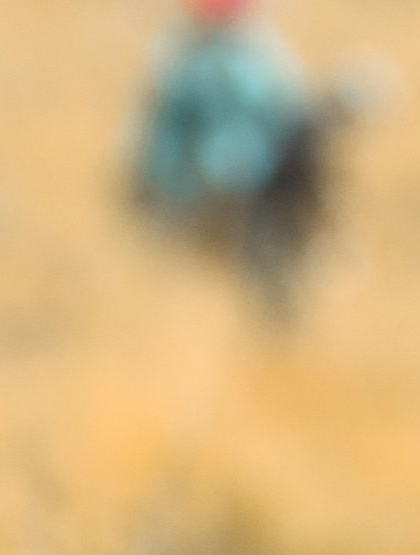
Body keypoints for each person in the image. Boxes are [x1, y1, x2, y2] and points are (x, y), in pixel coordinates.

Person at [128, 0, 344, 319]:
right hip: (207, 194)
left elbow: (286, 117)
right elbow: (160, 151)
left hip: (262, 187)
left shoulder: (263, 55)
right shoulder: (184, 65)